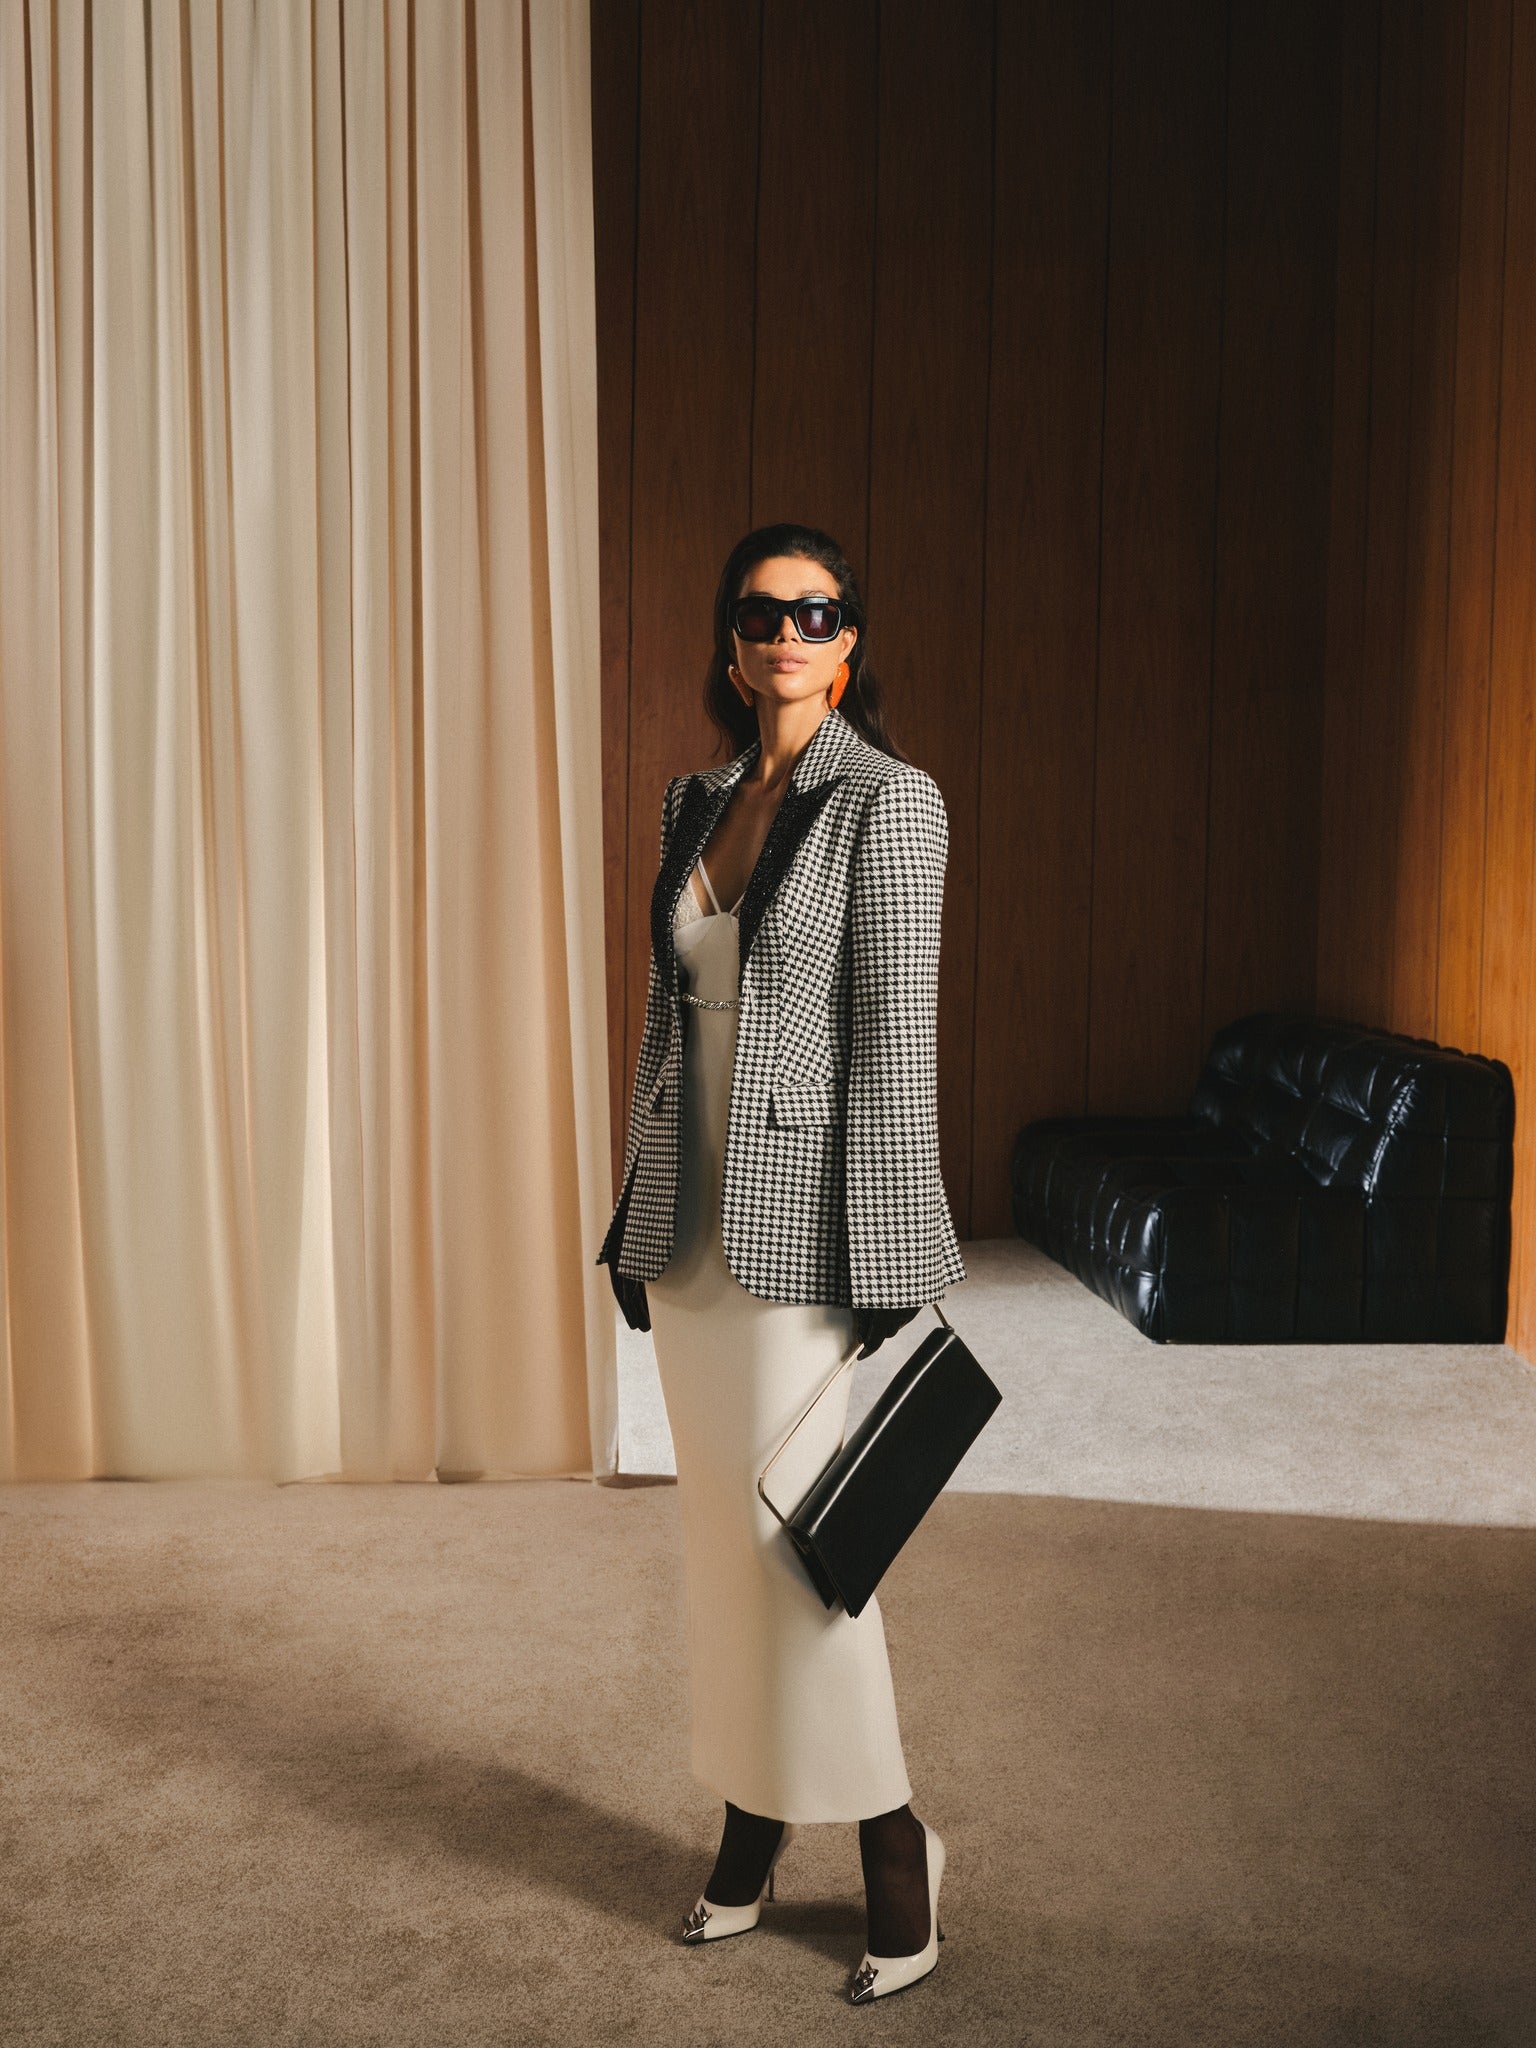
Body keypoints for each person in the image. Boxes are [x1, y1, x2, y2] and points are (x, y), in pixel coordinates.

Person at [595, 521, 966, 2003]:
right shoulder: (695, 798)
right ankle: (750, 1824)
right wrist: (633, 1213)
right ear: (732, 646)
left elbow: (895, 1037)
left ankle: (895, 1844)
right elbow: (663, 1025)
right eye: (763, 614)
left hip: (805, 1225)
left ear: (850, 641)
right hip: (691, 1223)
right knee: (718, 1547)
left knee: (801, 1555)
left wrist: (888, 1258)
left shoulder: (894, 802)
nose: (790, 634)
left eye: (818, 613)